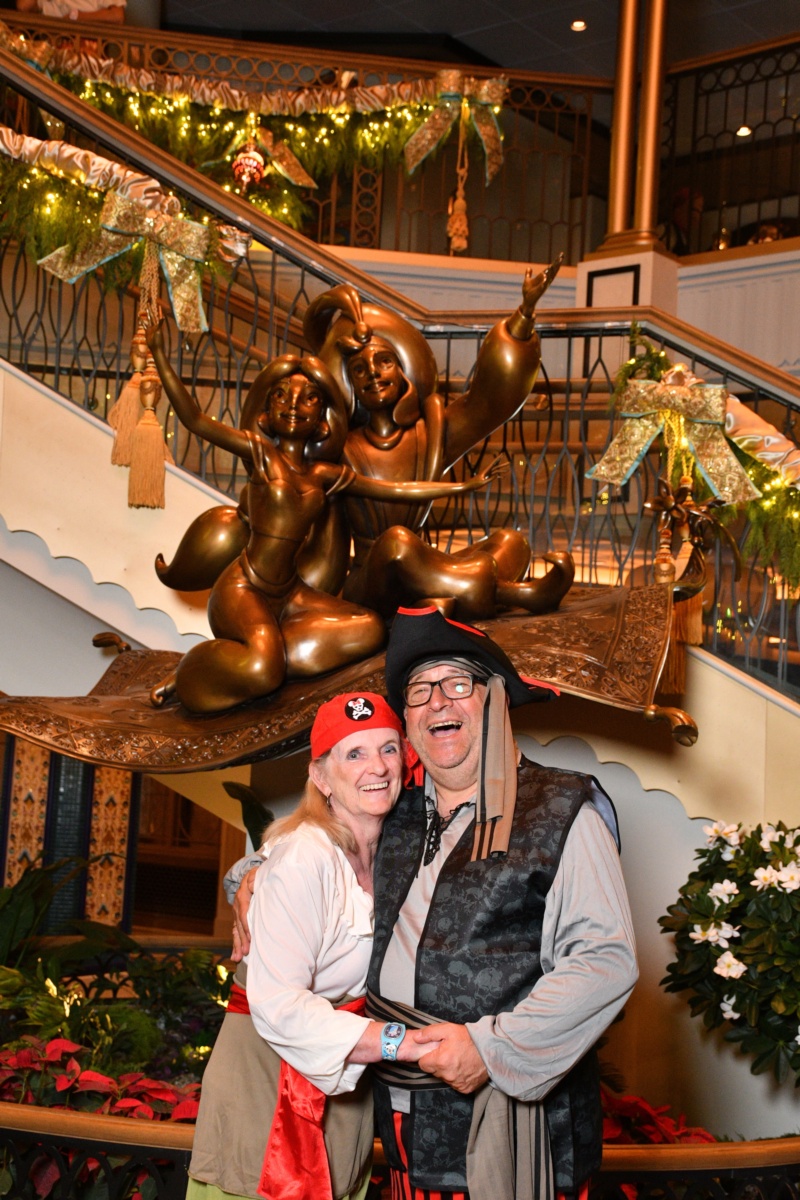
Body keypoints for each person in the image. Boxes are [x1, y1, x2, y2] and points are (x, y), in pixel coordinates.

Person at [232, 608, 638, 1200]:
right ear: (410, 724)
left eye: (457, 683)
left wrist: (491, 1050)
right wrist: (248, 876)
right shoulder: (396, 813)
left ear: (495, 700)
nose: (438, 702)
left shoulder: (563, 809)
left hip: (510, 1133)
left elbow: (604, 962)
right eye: (419, 691)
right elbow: (316, 842)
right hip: (402, 1130)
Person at [146, 327, 505, 712]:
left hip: (291, 593)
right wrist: (160, 356)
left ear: (322, 419)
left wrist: (462, 486)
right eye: (282, 395)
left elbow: (394, 489)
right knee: (263, 672)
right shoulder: (261, 454)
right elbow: (195, 419)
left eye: (309, 397)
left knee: (370, 629)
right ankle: (190, 673)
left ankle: (273, 651)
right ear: (266, 413)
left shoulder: (323, 475)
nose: (294, 405)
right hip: (246, 587)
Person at [189, 691, 438, 1200]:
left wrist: (248, 873)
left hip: (344, 1085)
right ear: (321, 777)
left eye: (388, 749)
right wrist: (399, 1042)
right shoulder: (304, 855)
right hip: (265, 1082)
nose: (377, 767)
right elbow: (279, 1005)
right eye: (354, 753)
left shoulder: (397, 850)